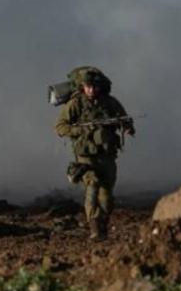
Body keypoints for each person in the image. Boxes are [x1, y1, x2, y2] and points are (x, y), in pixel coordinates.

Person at [55, 66, 134, 241]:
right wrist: (80, 130)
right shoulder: (75, 104)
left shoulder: (110, 102)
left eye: (94, 87)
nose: (90, 90)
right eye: (87, 86)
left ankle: (102, 225)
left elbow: (124, 118)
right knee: (92, 185)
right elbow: (60, 127)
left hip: (106, 155)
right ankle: (94, 228)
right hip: (85, 156)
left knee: (106, 197)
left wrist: (128, 127)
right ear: (82, 86)